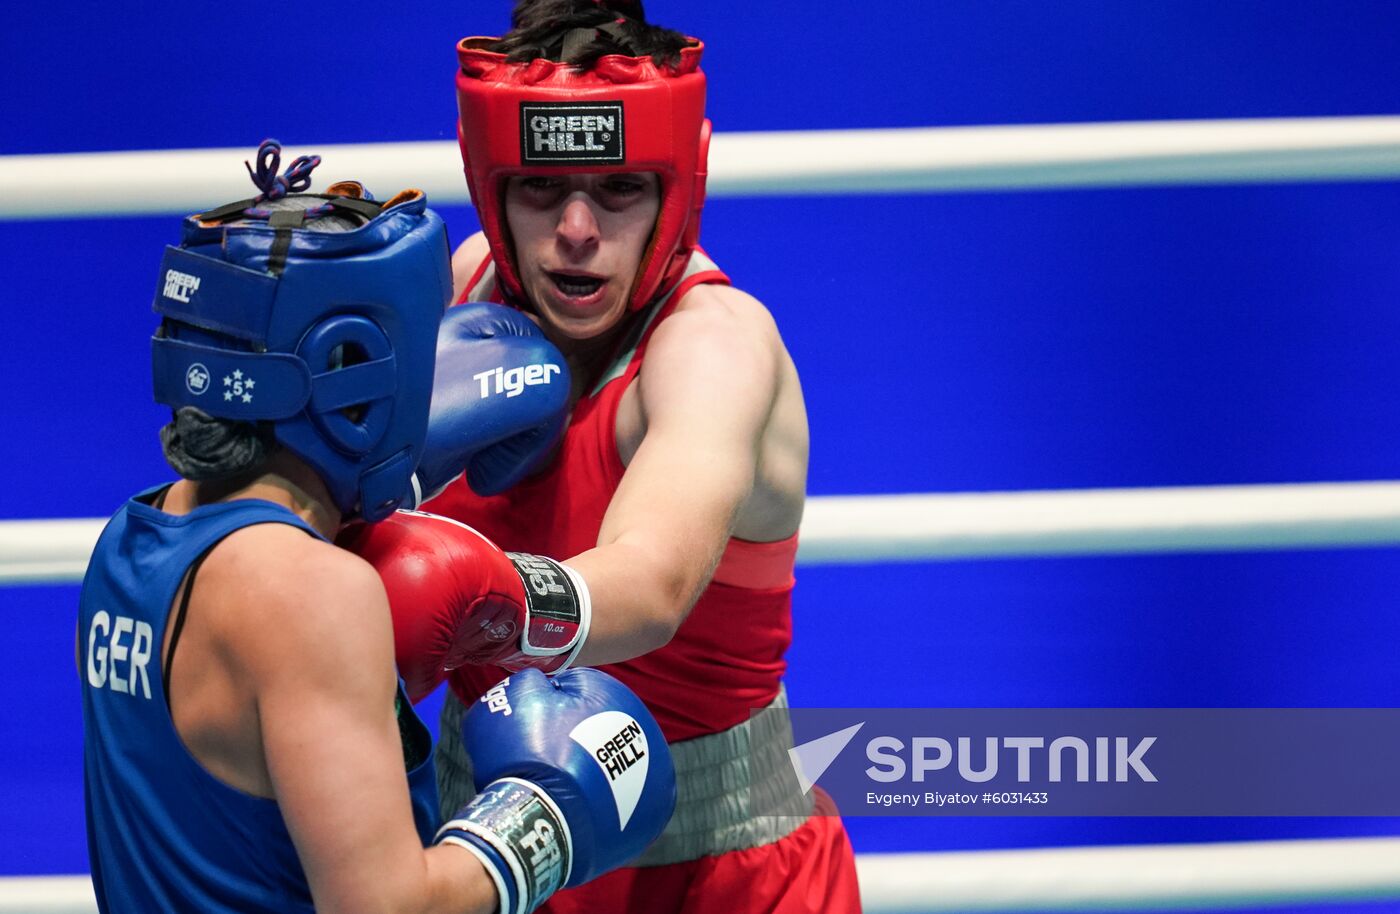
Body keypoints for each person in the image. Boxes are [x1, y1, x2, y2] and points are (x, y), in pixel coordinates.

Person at [345, 3, 863, 910]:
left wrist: (480, 595)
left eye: (619, 187)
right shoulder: (467, 289)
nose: (577, 229)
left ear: (676, 191)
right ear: (492, 186)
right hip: (494, 847)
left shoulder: (712, 348)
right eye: (541, 189)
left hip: (717, 872)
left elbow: (652, 582)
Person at [77, 141, 676, 914]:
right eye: (419, 353)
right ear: (350, 363)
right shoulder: (314, 596)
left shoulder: (126, 543)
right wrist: (541, 820)